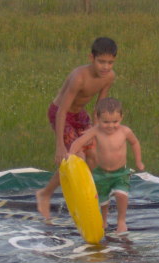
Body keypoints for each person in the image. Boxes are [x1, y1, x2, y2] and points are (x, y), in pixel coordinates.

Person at [36, 37, 117, 220]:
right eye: (101, 62)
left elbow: (99, 106)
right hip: (60, 113)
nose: (105, 67)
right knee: (75, 156)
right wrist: (59, 146)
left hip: (79, 115)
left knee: (93, 157)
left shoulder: (109, 77)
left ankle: (82, 193)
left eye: (110, 62)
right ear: (91, 58)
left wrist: (98, 131)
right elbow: (61, 111)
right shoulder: (79, 78)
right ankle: (45, 193)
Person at [69, 97, 144, 234]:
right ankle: (103, 220)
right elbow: (79, 142)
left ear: (121, 117)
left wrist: (138, 161)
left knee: (121, 195)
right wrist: (70, 154)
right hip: (101, 173)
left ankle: (121, 221)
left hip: (120, 172)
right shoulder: (95, 131)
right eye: (106, 122)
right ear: (97, 118)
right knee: (102, 200)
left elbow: (135, 143)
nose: (110, 126)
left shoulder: (125, 131)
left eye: (115, 121)